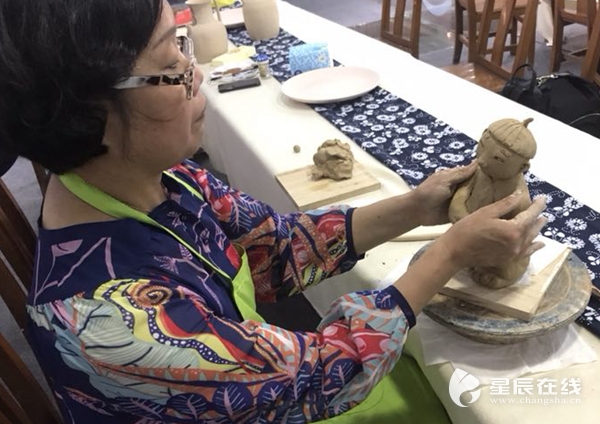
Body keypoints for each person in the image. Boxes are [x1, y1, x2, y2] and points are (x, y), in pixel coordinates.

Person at [0, 0, 547, 423]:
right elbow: (328, 375)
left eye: (184, 48)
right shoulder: (108, 325)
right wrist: (448, 255)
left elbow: (272, 248)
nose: (196, 74)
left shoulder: (154, 177)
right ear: (88, 113)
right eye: (171, 65)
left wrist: (414, 206)